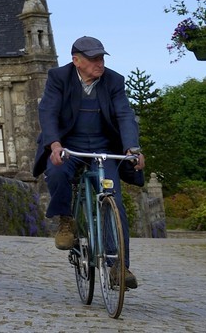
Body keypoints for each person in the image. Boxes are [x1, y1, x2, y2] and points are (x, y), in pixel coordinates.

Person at [31, 36, 145, 289]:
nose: (99, 63)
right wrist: (55, 145)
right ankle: (66, 221)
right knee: (57, 172)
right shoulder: (59, 78)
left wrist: (133, 148)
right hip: (69, 147)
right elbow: (48, 112)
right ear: (76, 61)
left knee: (114, 200)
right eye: (93, 59)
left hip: (103, 149)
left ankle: (119, 266)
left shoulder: (114, 81)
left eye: (101, 57)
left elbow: (125, 114)